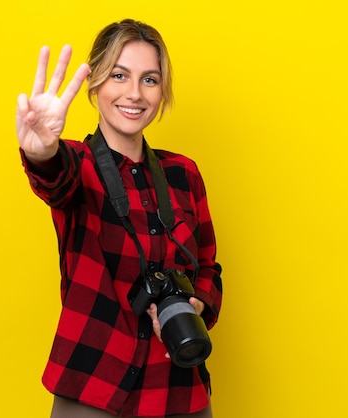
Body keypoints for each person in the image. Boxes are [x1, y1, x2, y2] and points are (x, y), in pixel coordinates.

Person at [15, 19, 223, 417]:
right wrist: (41, 151)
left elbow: (209, 265)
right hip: (95, 385)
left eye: (149, 80)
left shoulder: (184, 174)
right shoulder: (79, 163)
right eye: (119, 75)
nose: (134, 93)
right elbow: (54, 180)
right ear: (94, 85)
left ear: (162, 92)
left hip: (178, 385)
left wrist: (196, 304)